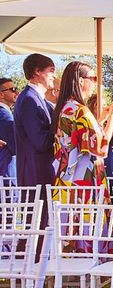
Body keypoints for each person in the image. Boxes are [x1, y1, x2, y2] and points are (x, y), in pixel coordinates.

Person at [51, 63, 113, 202]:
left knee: (67, 220)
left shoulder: (65, 108)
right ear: (81, 81)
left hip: (65, 175)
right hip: (83, 176)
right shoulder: (81, 110)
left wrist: (99, 122)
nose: (95, 83)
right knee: (87, 221)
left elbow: (81, 139)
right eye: (93, 78)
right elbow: (100, 147)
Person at [14, 53, 56, 227]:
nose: (54, 75)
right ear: (37, 72)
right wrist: (60, 132)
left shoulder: (39, 99)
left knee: (42, 225)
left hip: (40, 171)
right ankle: (35, 255)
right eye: (51, 71)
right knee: (37, 227)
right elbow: (41, 141)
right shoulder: (30, 100)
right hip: (35, 173)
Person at [86, 94, 113, 178]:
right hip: (97, 160)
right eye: (103, 105)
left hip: (110, 158)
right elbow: (102, 142)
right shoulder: (89, 122)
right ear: (95, 106)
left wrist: (112, 124)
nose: (105, 107)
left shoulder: (109, 122)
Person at [0, 78, 18, 180]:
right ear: (1, 94)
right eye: (13, 89)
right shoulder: (3, 114)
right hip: (6, 173)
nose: (16, 92)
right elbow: (14, 145)